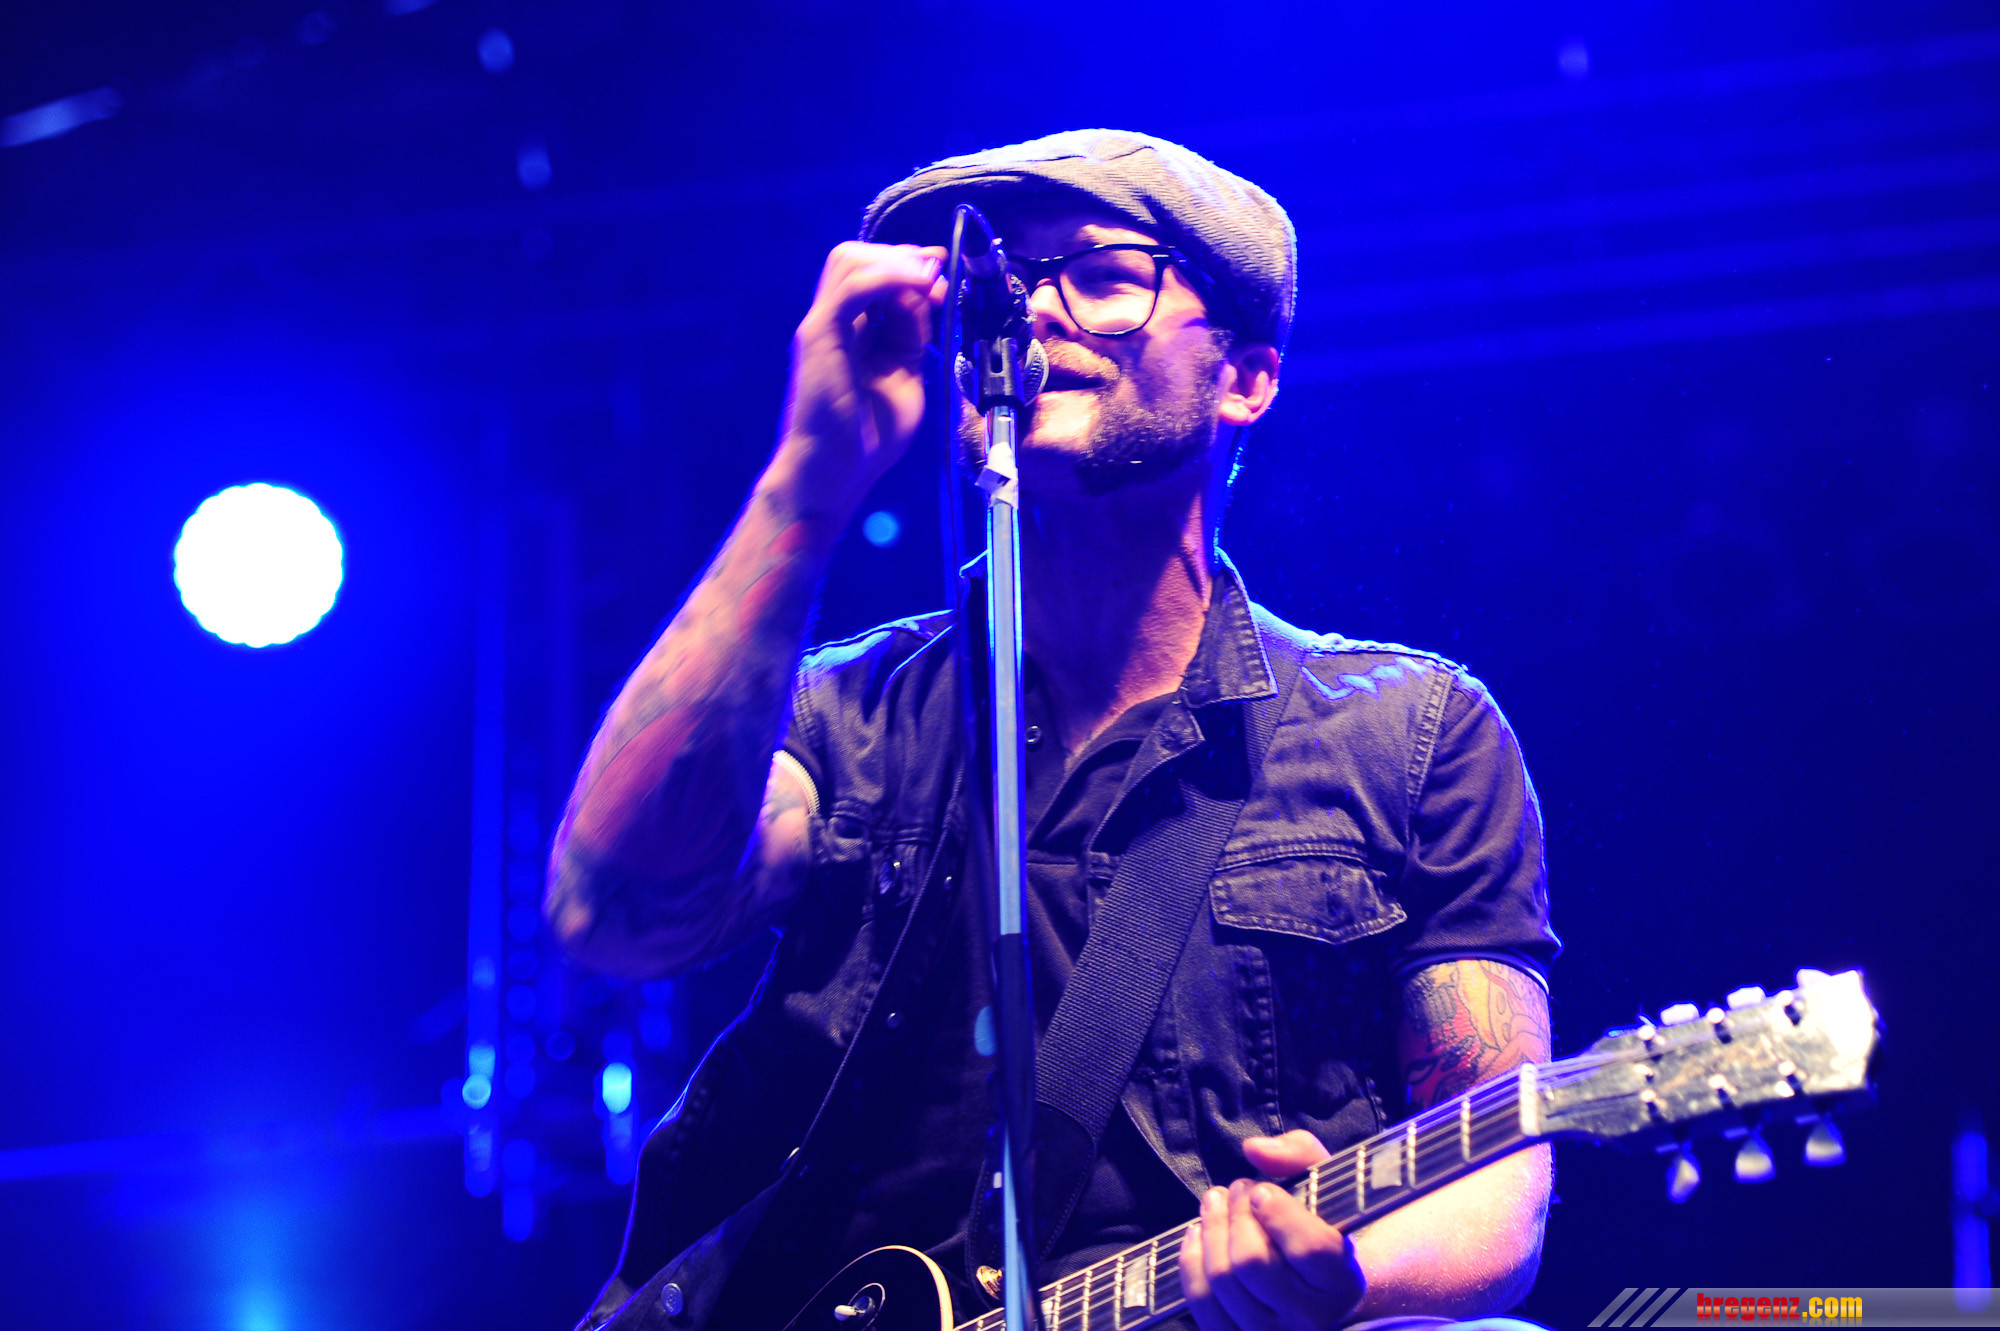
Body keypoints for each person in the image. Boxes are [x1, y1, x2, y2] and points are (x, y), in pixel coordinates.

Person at [545, 130, 1560, 1331]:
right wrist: (809, 477)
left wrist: (1341, 1279)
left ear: (1244, 378)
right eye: (1001, 284)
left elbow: (1493, 1178)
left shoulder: (1412, 734)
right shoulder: (846, 714)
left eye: (1102, 276)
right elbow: (615, 911)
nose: (1029, 313)